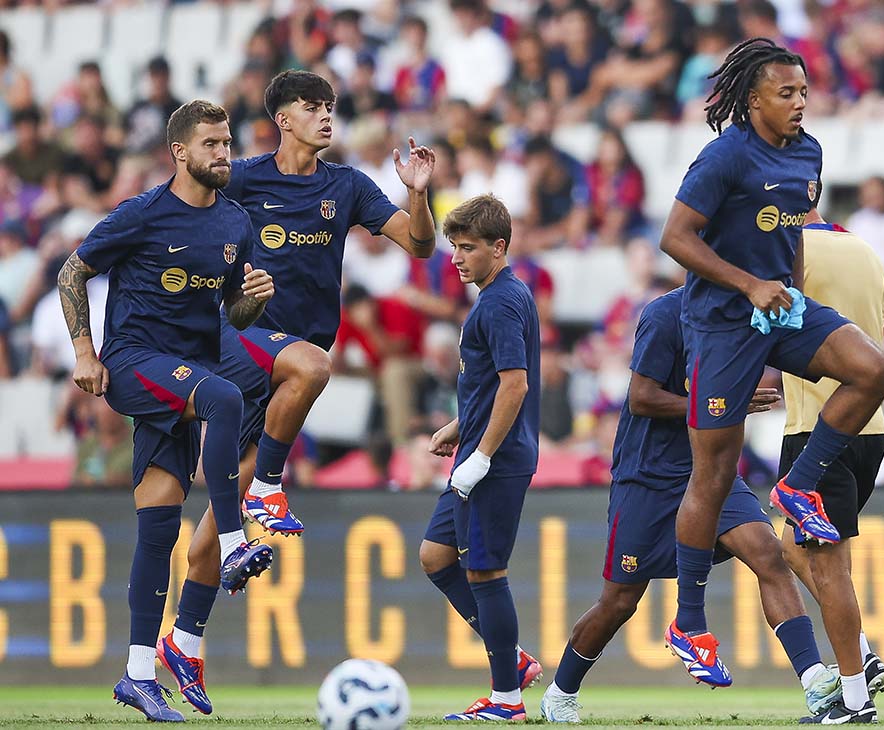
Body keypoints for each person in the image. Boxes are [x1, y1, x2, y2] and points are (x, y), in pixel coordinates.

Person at [163, 69, 436, 714]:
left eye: (330, 107)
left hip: (284, 366)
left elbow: (420, 244)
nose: (325, 115)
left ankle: (184, 636)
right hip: (241, 337)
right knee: (315, 368)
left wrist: (420, 194)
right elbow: (185, 212)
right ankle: (268, 493)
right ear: (283, 118)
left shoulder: (346, 187)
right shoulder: (245, 177)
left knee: (221, 508)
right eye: (312, 107)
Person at [657, 37, 884, 724]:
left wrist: (786, 289)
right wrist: (748, 283)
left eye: (803, 93)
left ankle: (798, 482)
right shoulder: (725, 156)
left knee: (873, 367)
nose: (799, 103)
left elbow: (789, 228)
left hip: (778, 309)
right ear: (753, 98)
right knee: (714, 473)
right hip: (721, 324)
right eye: (786, 93)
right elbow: (675, 237)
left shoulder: (809, 152)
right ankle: (689, 622)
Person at [55, 100, 276, 722]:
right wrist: (84, 351)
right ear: (180, 152)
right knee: (227, 396)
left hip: (184, 376)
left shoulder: (235, 224)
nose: (224, 152)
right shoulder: (143, 215)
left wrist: (252, 305)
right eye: (211, 143)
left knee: (159, 524)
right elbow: (73, 271)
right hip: (132, 363)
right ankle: (233, 540)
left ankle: (137, 675)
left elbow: (227, 312)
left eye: (228, 142)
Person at [539, 287, 842, 723]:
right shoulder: (665, 315)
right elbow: (642, 397)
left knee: (769, 554)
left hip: (712, 468)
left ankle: (815, 681)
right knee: (620, 601)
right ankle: (562, 691)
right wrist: (721, 407)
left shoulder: (746, 312)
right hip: (648, 475)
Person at [420, 195, 542, 722]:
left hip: (497, 459)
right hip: (477, 448)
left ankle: (507, 699)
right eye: (453, 247)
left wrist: (482, 454)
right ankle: (510, 658)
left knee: (486, 574)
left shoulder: (498, 303)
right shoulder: (501, 295)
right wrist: (458, 427)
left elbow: (515, 385)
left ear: (499, 247)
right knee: (435, 556)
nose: (457, 257)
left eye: (467, 247)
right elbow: (492, 385)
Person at [779, 201, 884, 724]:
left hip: (819, 426)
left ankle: (852, 699)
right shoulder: (866, 252)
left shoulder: (791, 252)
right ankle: (862, 652)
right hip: (872, 430)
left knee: (827, 568)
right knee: (797, 550)